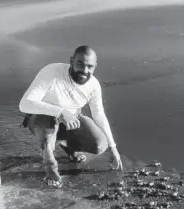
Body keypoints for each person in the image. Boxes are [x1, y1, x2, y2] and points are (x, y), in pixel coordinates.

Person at [19, 45, 123, 187]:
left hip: (71, 121)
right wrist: (61, 112)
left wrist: (113, 147)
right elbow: (24, 104)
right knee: (47, 124)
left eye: (90, 67)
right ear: (72, 60)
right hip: (41, 120)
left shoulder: (94, 86)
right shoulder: (51, 72)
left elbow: (99, 115)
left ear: (95, 67)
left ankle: (69, 147)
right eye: (80, 64)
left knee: (99, 145)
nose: (84, 71)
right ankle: (50, 166)